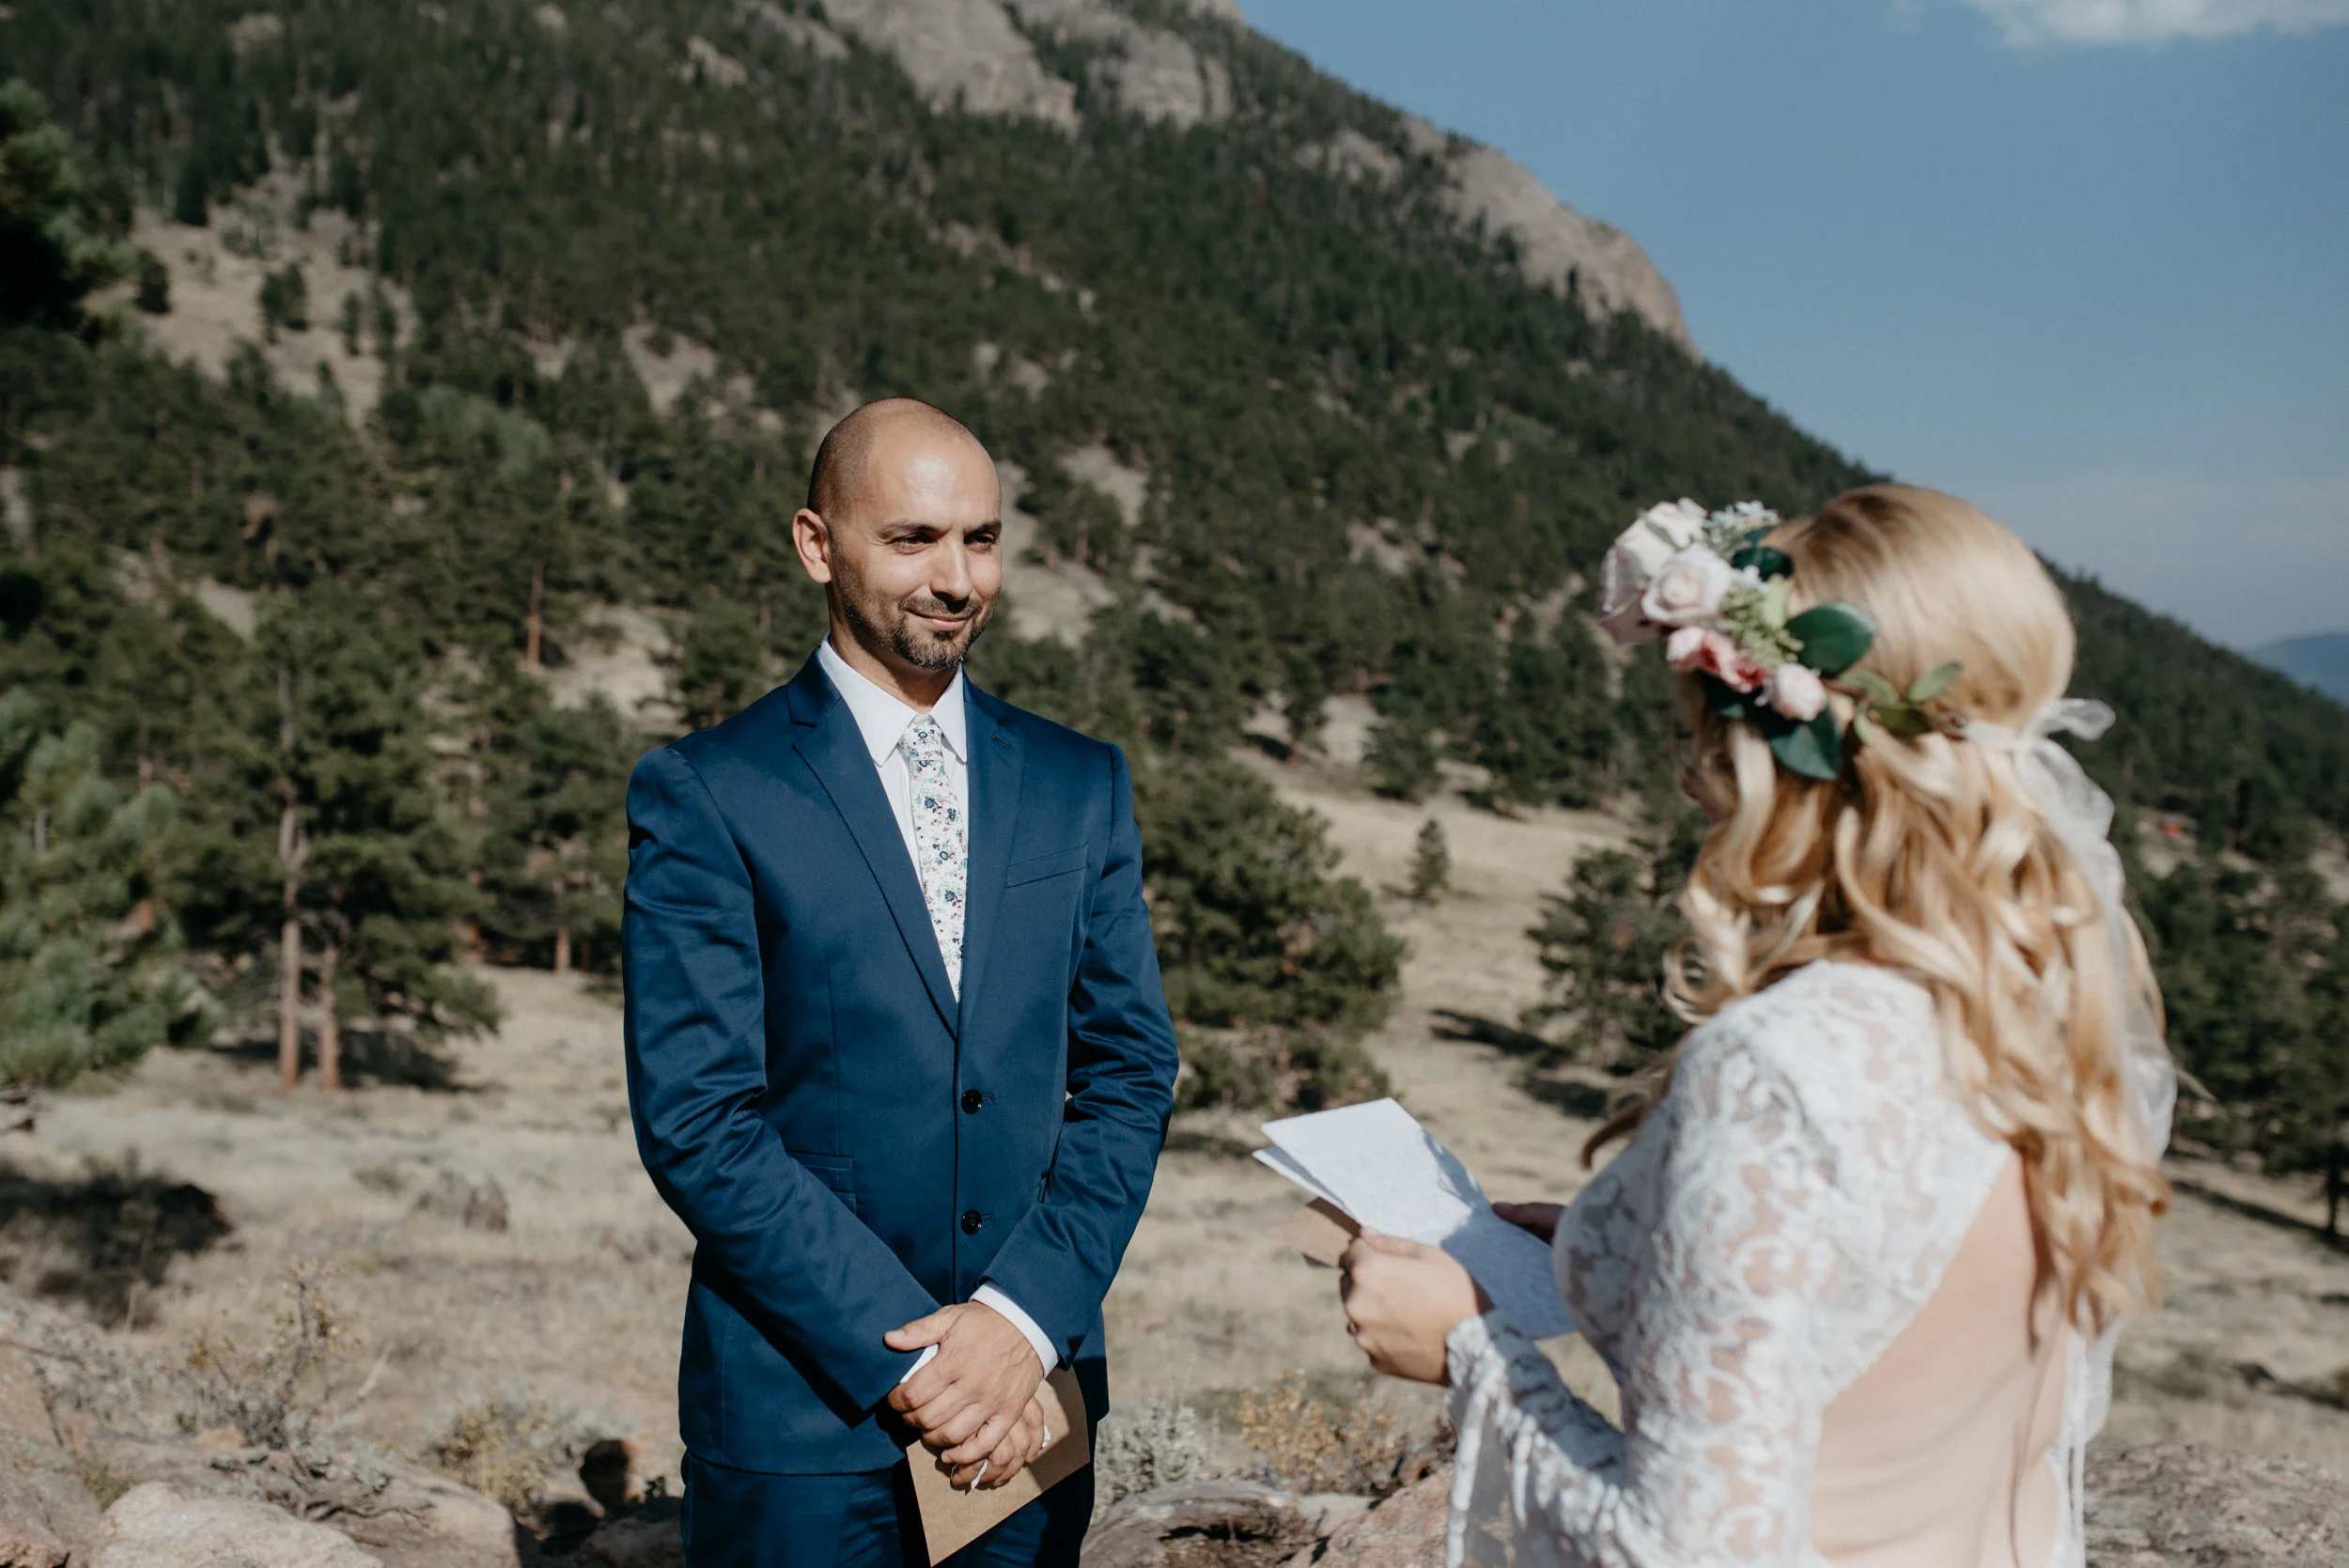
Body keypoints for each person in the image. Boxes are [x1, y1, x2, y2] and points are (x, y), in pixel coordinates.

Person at [1335, 485, 2175, 1568]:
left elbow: (1685, 1550)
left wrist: (1466, 1347)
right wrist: (1633, 1240)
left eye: (1702, 737)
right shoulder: (2042, 1008)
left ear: (1781, 746)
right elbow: (1883, 1317)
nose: (1694, 783)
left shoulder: (1778, 1069)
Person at [623, 398, 1179, 1566]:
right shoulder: (708, 791)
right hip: (801, 1422)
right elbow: (699, 1122)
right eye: (914, 538)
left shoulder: (1082, 784)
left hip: (1028, 1407)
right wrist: (925, 1359)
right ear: (818, 544)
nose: (955, 577)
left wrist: (1018, 1322)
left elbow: (1130, 1075)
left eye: (979, 539)